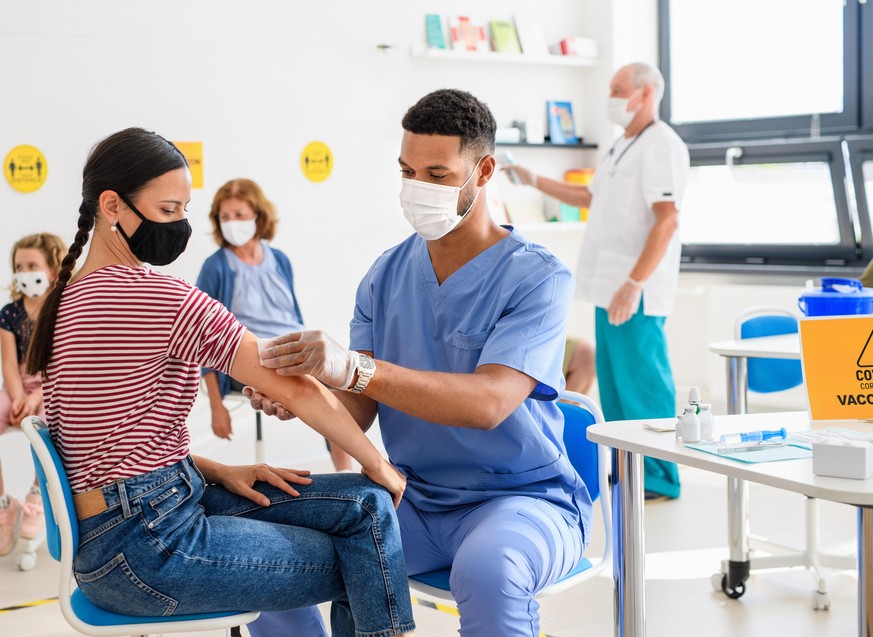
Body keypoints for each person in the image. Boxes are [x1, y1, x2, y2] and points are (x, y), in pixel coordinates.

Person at [23, 127, 414, 637]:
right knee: (366, 551)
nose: (180, 225)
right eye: (167, 211)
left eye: (185, 209)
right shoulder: (163, 297)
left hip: (127, 527)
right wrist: (380, 464)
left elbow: (107, 441)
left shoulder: (65, 299)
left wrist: (209, 470)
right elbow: (292, 385)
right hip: (150, 545)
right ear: (112, 205)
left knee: (365, 505)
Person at [247, 89, 592, 637]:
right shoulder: (385, 275)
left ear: (483, 171)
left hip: (522, 500)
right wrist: (297, 398)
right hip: (413, 496)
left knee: (488, 570)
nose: (417, 189)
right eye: (407, 171)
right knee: (261, 556)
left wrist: (354, 369)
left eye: (436, 173)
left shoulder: (538, 278)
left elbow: (488, 404)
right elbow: (357, 410)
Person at [504, 62, 690, 500]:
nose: (610, 95)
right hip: (610, 285)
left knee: (643, 383)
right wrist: (533, 179)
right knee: (615, 383)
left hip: (635, 289)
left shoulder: (663, 146)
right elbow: (589, 197)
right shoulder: (623, 144)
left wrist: (633, 283)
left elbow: (667, 220)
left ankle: (662, 476)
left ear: (645, 94)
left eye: (618, 88)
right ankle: (632, 469)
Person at [196, 178, 352, 472]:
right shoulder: (216, 267)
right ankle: (358, 471)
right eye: (225, 217)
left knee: (346, 377)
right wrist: (217, 407)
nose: (232, 223)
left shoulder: (279, 260)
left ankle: (347, 472)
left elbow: (293, 316)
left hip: (292, 347)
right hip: (254, 356)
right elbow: (202, 339)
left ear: (258, 215)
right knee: (319, 390)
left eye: (239, 215)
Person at [0, 232, 64, 556]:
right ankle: (2, 506)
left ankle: (37, 496)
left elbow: (62, 365)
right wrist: (17, 396)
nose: (25, 272)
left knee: (50, 423)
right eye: (19, 266)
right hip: (17, 387)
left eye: (32, 265)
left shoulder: (63, 309)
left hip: (51, 385)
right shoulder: (9, 314)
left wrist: (36, 396)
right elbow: (10, 365)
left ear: (53, 269)